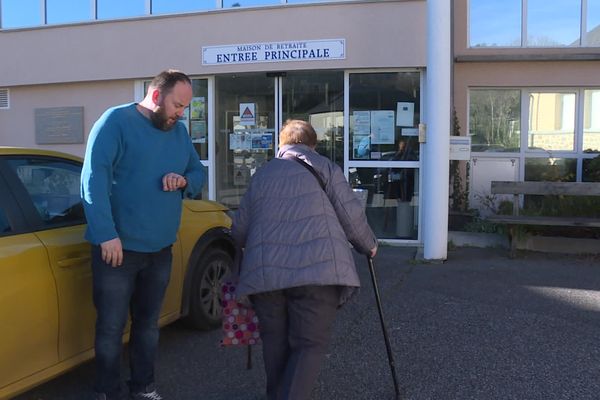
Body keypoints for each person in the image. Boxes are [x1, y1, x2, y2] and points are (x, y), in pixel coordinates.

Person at [231, 119, 378, 400]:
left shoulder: (262, 174)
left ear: (282, 145)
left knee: (275, 344)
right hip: (318, 269)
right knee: (309, 344)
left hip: (266, 276)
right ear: (312, 145)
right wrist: (368, 245)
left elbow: (239, 230)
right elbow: (351, 215)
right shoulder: (324, 167)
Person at [81, 69, 204, 400]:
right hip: (117, 250)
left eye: (185, 107)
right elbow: (93, 180)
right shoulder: (114, 123)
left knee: (148, 326)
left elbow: (198, 171)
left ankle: (143, 387)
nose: (181, 113)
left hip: (160, 248)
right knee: (110, 328)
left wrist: (184, 181)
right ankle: (107, 391)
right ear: (155, 96)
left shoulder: (177, 133)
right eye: (177, 105)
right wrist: (105, 234)